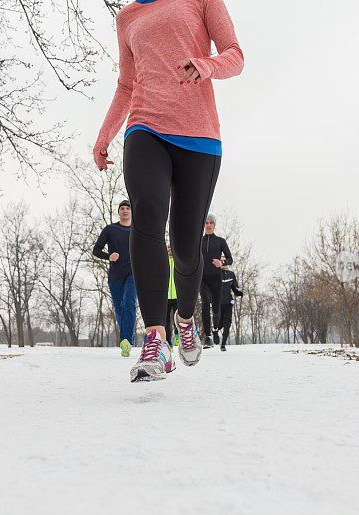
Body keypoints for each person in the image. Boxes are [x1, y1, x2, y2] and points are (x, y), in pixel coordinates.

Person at [93, 0, 244, 382]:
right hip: (144, 127)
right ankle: (156, 339)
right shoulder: (126, 17)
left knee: (185, 245)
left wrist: (206, 65)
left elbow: (235, 56)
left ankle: (186, 320)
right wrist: (105, 134)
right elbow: (127, 84)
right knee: (147, 215)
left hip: (199, 136)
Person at [93, 200, 136, 357]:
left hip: (133, 273)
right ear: (119, 212)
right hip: (115, 275)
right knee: (119, 309)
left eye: (128, 208)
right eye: (122, 208)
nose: (125, 211)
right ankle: (126, 338)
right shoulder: (110, 229)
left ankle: (126, 341)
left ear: (131, 211)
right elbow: (96, 250)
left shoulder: (137, 229)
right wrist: (108, 256)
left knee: (130, 303)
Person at [199, 214, 233, 348]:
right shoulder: (198, 241)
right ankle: (207, 336)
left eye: (210, 223)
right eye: (206, 223)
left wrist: (221, 262)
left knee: (216, 309)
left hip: (216, 279)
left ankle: (214, 331)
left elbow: (230, 259)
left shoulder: (220, 241)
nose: (208, 225)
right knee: (205, 303)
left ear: (214, 225)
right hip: (202, 278)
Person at [219, 258, 243, 351]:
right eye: (222, 261)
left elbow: (234, 288)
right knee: (219, 324)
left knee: (227, 324)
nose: (224, 262)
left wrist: (239, 293)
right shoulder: (215, 274)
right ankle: (214, 332)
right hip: (218, 304)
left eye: (225, 261)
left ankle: (223, 345)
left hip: (228, 303)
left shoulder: (231, 274)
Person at [165, 243, 179, 349]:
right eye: (168, 248)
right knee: (166, 322)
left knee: (177, 320)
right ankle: (168, 342)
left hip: (178, 296)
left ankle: (178, 335)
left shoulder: (178, 262)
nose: (170, 250)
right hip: (165, 297)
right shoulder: (163, 261)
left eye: (171, 247)